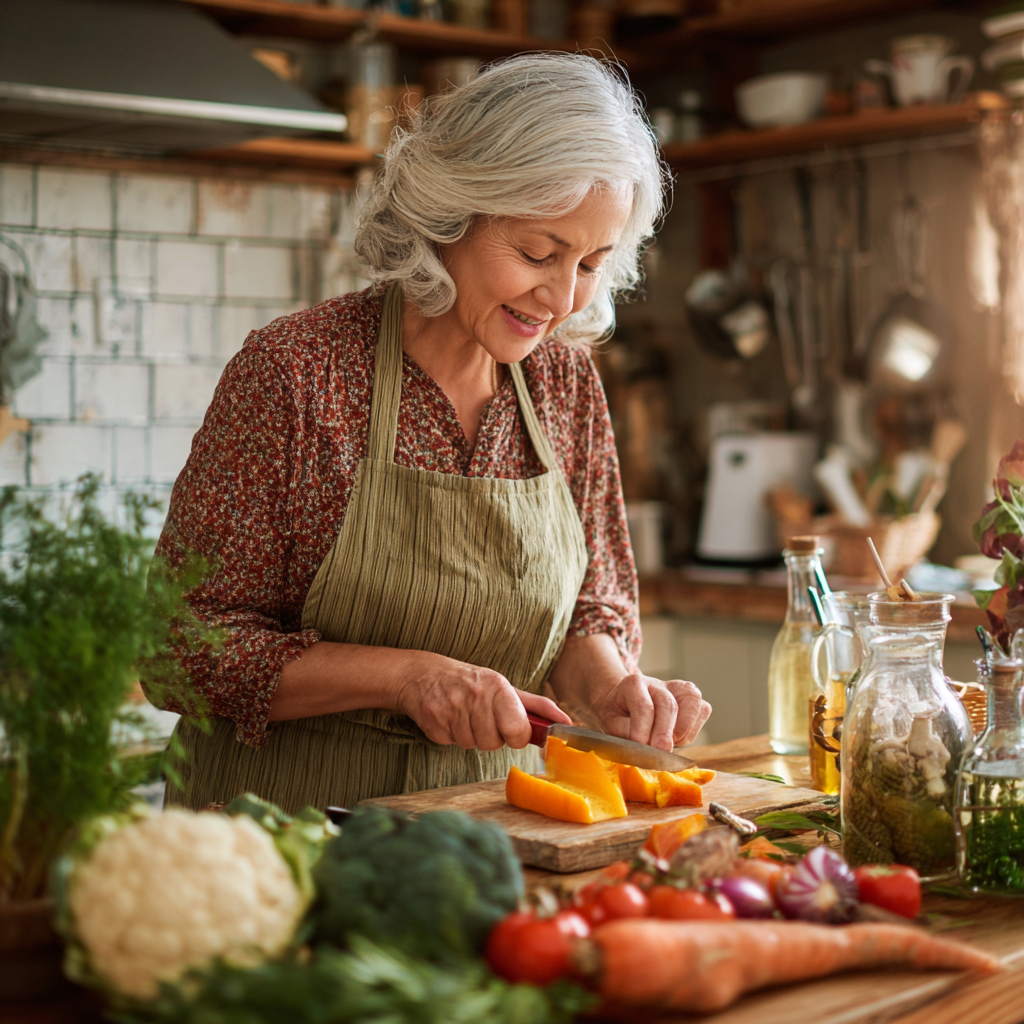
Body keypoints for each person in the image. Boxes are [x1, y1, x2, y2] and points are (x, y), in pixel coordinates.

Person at [146, 52, 712, 814]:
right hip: (280, 832)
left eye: (591, 263)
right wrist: (405, 677)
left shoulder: (565, 384)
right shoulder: (299, 374)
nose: (561, 296)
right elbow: (178, 649)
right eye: (538, 252)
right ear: (451, 214)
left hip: (486, 835)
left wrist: (611, 689)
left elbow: (589, 610)